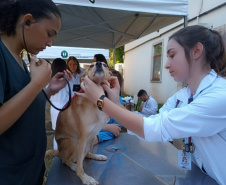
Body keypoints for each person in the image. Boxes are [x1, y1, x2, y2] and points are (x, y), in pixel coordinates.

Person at [77, 25, 226, 185]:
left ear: (196, 51)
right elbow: (149, 123)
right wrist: (114, 101)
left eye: (172, 55)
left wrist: (101, 101)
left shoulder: (219, 97)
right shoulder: (184, 95)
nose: (166, 64)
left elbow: (155, 128)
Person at [0, 1, 72, 184]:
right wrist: (36, 84)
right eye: (49, 34)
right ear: (28, 21)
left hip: (29, 169)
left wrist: (47, 90)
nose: (50, 43)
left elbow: (19, 104)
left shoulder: (21, 58)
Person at [93, 69, 123, 145]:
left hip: (108, 145)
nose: (110, 88)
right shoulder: (95, 99)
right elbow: (87, 126)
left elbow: (116, 129)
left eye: (115, 85)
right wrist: (106, 127)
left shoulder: (119, 101)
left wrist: (98, 138)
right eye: (108, 83)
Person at [50, 58, 71, 150]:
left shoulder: (49, 79)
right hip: (64, 107)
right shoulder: (65, 80)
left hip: (54, 108)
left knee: (57, 132)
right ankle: (62, 152)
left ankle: (57, 153)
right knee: (65, 132)